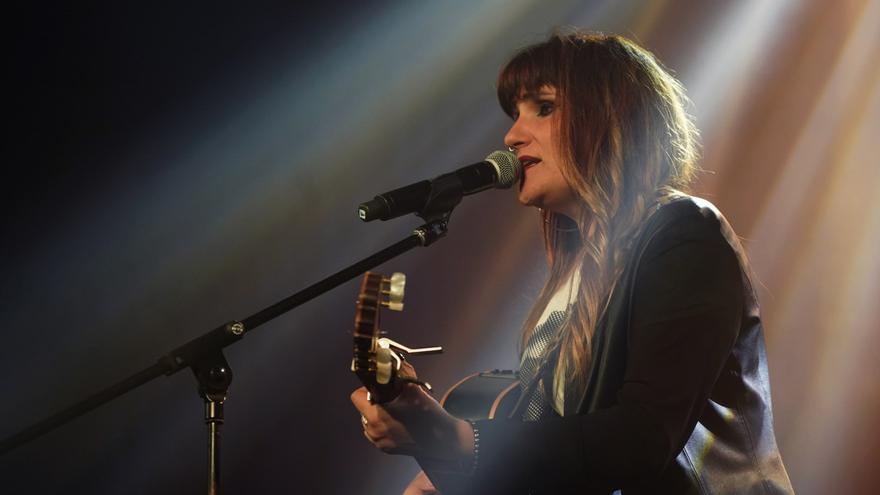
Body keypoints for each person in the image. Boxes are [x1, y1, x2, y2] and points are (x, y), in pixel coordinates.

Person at [350, 30, 794, 494]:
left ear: (612, 116)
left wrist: (457, 439)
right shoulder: (571, 278)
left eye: (543, 107)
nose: (511, 136)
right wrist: (440, 460)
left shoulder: (683, 233)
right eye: (514, 113)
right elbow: (565, 462)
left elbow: (640, 438)